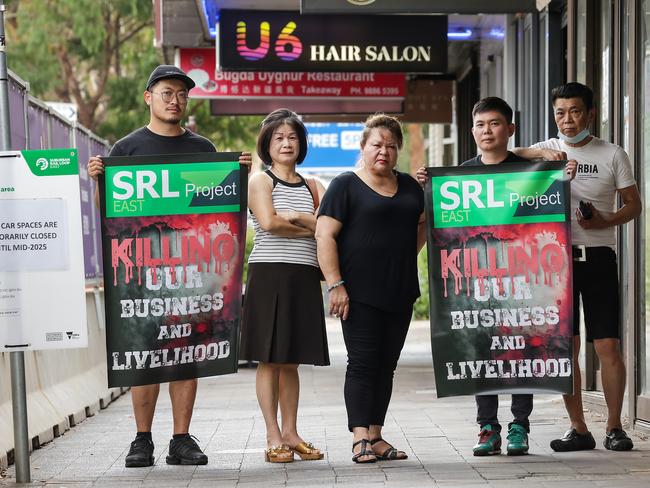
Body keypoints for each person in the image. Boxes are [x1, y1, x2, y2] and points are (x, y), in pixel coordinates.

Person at [87, 64, 252, 467]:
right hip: (143, 274)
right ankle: (141, 440)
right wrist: (98, 182)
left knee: (187, 351)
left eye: (182, 94)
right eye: (167, 93)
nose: (175, 100)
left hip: (191, 272)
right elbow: (110, 216)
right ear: (149, 97)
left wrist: (239, 174)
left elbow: (225, 211)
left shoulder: (203, 150)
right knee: (144, 355)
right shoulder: (126, 150)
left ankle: (181, 439)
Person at [416, 97, 576, 457]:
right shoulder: (460, 176)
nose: (487, 131)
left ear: (510, 129)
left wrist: (563, 177)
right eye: (480, 125)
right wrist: (427, 184)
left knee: (525, 346)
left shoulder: (532, 171)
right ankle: (487, 427)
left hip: (525, 279)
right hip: (479, 281)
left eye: (495, 123)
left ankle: (520, 424)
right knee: (482, 345)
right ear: (472, 131)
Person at [513, 82, 641, 452]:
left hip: (598, 256)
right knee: (564, 348)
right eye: (560, 113)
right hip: (554, 261)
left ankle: (615, 426)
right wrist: (536, 153)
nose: (567, 120)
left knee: (607, 346)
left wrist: (607, 220)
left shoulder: (612, 153)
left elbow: (634, 205)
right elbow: (501, 154)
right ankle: (579, 428)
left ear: (590, 113)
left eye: (574, 112)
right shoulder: (546, 149)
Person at [315, 114, 426, 464]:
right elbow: (324, 235)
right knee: (362, 363)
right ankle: (359, 436)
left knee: (386, 365)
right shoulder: (345, 185)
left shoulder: (410, 187)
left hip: (401, 290)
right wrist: (336, 284)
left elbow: (421, 225)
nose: (384, 151)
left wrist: (405, 256)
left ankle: (376, 435)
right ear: (363, 148)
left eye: (391, 146)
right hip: (357, 292)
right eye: (377, 145)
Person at [240, 108, 329, 463]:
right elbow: (270, 223)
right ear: (267, 144)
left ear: (301, 143)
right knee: (270, 360)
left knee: (291, 361)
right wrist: (309, 226)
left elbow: (330, 230)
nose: (286, 143)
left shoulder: (313, 186)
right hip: (270, 275)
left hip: (304, 276)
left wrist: (302, 221)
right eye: (278, 137)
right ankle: (272, 434)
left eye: (292, 137)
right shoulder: (261, 181)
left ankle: (291, 432)